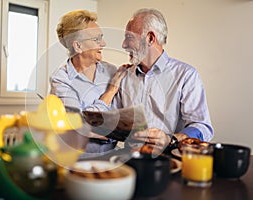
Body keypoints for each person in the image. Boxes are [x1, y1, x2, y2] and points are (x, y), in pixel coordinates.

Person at [114, 8, 214, 155]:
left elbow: (202, 127)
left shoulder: (186, 75)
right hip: (130, 159)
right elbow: (114, 123)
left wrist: (170, 140)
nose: (123, 44)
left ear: (150, 38)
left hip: (170, 161)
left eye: (129, 37)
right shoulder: (123, 76)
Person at [50, 10, 128, 153]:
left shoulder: (112, 71)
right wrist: (110, 92)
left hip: (111, 155)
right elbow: (79, 124)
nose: (103, 43)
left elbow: (122, 117)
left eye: (101, 37)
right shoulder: (61, 78)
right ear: (78, 46)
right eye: (96, 39)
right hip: (76, 157)